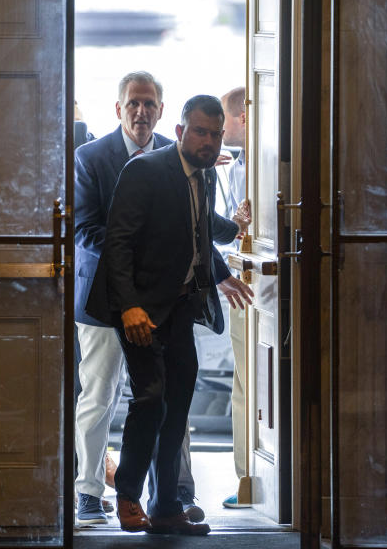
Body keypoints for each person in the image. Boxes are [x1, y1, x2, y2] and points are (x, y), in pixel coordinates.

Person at [87, 94, 253, 535]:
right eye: (200, 131)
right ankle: (126, 496)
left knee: (178, 405)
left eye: (216, 134)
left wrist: (234, 235)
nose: (208, 141)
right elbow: (118, 244)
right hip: (139, 308)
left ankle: (165, 509)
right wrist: (131, 307)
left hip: (181, 306)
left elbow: (200, 230)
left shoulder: (205, 174)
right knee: (151, 398)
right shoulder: (144, 170)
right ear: (180, 131)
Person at [73, 72, 173, 525]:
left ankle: (167, 496)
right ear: (118, 109)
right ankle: (90, 493)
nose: (141, 111)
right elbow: (84, 230)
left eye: (149, 103)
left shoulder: (175, 158)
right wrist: (135, 261)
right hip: (101, 299)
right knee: (100, 393)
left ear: (161, 111)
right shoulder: (90, 158)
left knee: (162, 396)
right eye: (133, 103)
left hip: (159, 301)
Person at [216, 86, 253, 509]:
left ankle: (250, 479)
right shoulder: (227, 165)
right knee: (242, 382)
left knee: (246, 383)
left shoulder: (251, 167)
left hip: (251, 281)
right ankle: (246, 475)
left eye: (223, 120)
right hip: (238, 280)